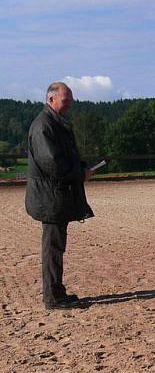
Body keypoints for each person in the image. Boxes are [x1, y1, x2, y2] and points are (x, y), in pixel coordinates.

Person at [25, 82, 94, 310]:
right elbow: (53, 164)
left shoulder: (55, 124)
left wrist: (82, 166)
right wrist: (79, 173)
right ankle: (53, 298)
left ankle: (57, 292)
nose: (70, 104)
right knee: (52, 247)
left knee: (56, 247)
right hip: (49, 198)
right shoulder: (43, 127)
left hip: (54, 197)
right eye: (66, 100)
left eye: (71, 99)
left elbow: (65, 156)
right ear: (51, 99)